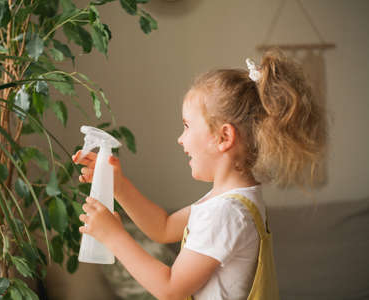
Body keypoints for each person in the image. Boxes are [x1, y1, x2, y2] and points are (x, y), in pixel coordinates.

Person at [72, 49, 327, 300]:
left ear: (223, 137)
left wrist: (113, 237)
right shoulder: (231, 201)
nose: (180, 139)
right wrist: (119, 185)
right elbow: (163, 228)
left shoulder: (227, 213)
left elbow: (170, 289)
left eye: (186, 126)